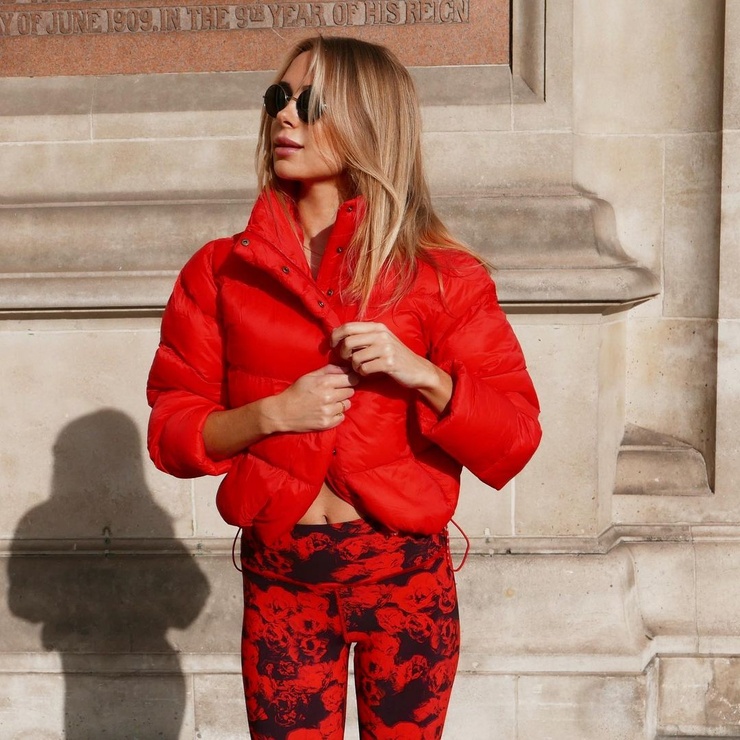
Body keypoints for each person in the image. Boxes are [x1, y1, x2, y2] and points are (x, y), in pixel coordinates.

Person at [147, 35, 541, 740]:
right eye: (279, 98)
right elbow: (172, 433)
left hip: (404, 578)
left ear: (367, 120)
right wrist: (272, 414)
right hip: (282, 581)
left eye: (310, 103)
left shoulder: (442, 275)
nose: (284, 115)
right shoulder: (221, 271)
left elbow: (514, 438)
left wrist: (423, 374)